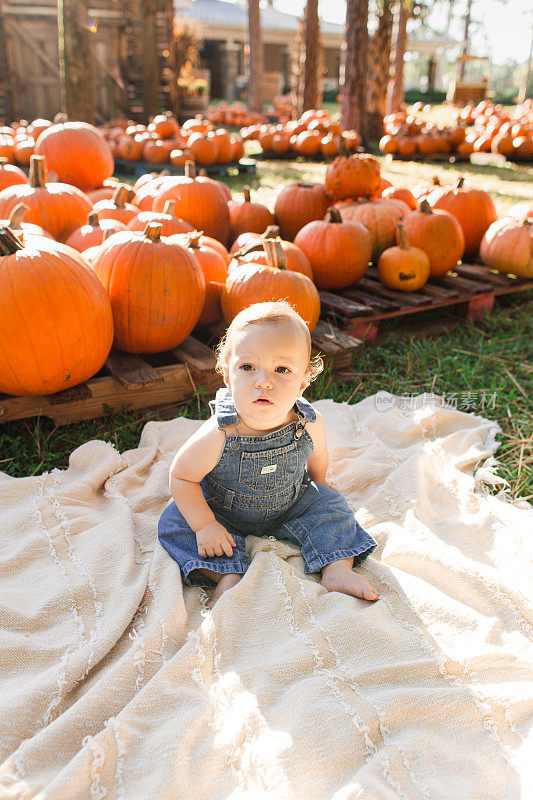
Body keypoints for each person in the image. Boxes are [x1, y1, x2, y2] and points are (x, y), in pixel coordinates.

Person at [158, 301, 378, 609]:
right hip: (223, 511)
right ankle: (225, 573)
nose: (264, 381)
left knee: (333, 506)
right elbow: (181, 476)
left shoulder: (308, 422)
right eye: (248, 367)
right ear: (228, 377)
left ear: (302, 382)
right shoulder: (220, 433)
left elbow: (318, 455)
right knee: (174, 522)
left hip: (289, 504)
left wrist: (320, 481)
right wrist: (206, 525)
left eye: (281, 369)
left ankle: (336, 568)